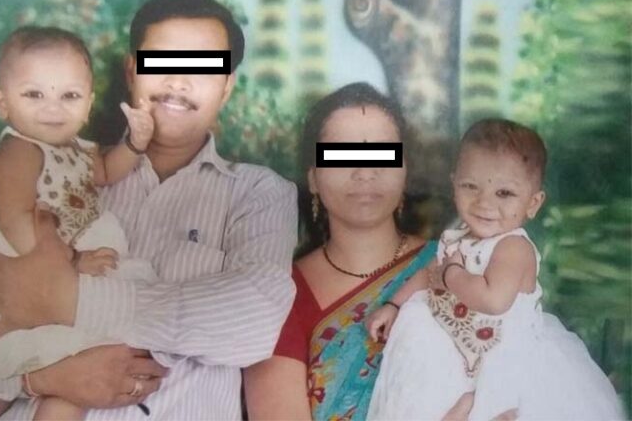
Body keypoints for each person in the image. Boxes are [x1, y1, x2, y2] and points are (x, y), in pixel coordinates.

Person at [0, 0, 298, 420]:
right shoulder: (60, 177)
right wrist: (40, 379)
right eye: (161, 60)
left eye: (203, 66)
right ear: (132, 71)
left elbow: (256, 324)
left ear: (227, 86)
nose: (178, 80)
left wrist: (69, 300)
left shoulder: (258, 192)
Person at [0, 26, 159, 420]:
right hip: (20, 263)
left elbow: (106, 171)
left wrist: (135, 143)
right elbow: (15, 217)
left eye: (69, 96)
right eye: (34, 94)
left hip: (53, 274)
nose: (52, 108)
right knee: (0, 382)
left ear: (88, 104)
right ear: (3, 103)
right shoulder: (19, 150)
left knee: (58, 374)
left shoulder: (80, 150)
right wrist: (71, 262)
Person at [365, 119, 625, 420]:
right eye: (470, 186)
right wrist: (394, 304)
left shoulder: (513, 248)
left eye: (504, 193)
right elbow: (430, 275)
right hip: (456, 346)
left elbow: (493, 300)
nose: (484, 203)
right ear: (454, 185)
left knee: (498, 407)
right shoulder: (458, 236)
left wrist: (452, 274)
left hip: (504, 356)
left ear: (532, 203)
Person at [244, 82, 440, 420]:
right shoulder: (276, 295)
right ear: (313, 178)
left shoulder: (452, 264)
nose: (364, 172)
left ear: (405, 172)